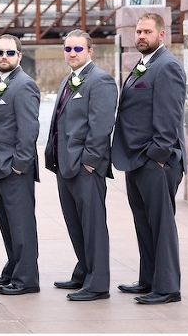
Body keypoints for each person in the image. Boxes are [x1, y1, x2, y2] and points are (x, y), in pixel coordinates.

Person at [112, 13, 186, 305]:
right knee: (144, 222)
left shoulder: (167, 67)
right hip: (135, 159)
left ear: (161, 35)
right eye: (138, 31)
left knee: (162, 225)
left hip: (156, 161)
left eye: (147, 31)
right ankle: (149, 279)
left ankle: (167, 287)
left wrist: (158, 156)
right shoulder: (143, 65)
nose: (141, 36)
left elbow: (169, 117)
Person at [45, 29, 118, 301]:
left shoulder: (101, 81)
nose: (72, 54)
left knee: (93, 226)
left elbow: (101, 127)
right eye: (68, 49)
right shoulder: (68, 80)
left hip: (85, 168)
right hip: (65, 166)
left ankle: (98, 283)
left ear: (90, 51)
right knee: (75, 224)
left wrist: (89, 162)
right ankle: (84, 271)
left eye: (77, 49)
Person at [0, 34, 41, 296]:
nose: (3, 57)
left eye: (9, 53)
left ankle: (26, 278)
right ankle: (14, 268)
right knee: (7, 223)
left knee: (21, 225)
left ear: (19, 55)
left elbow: (29, 130)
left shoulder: (24, 85)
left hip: (15, 169)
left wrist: (19, 165)